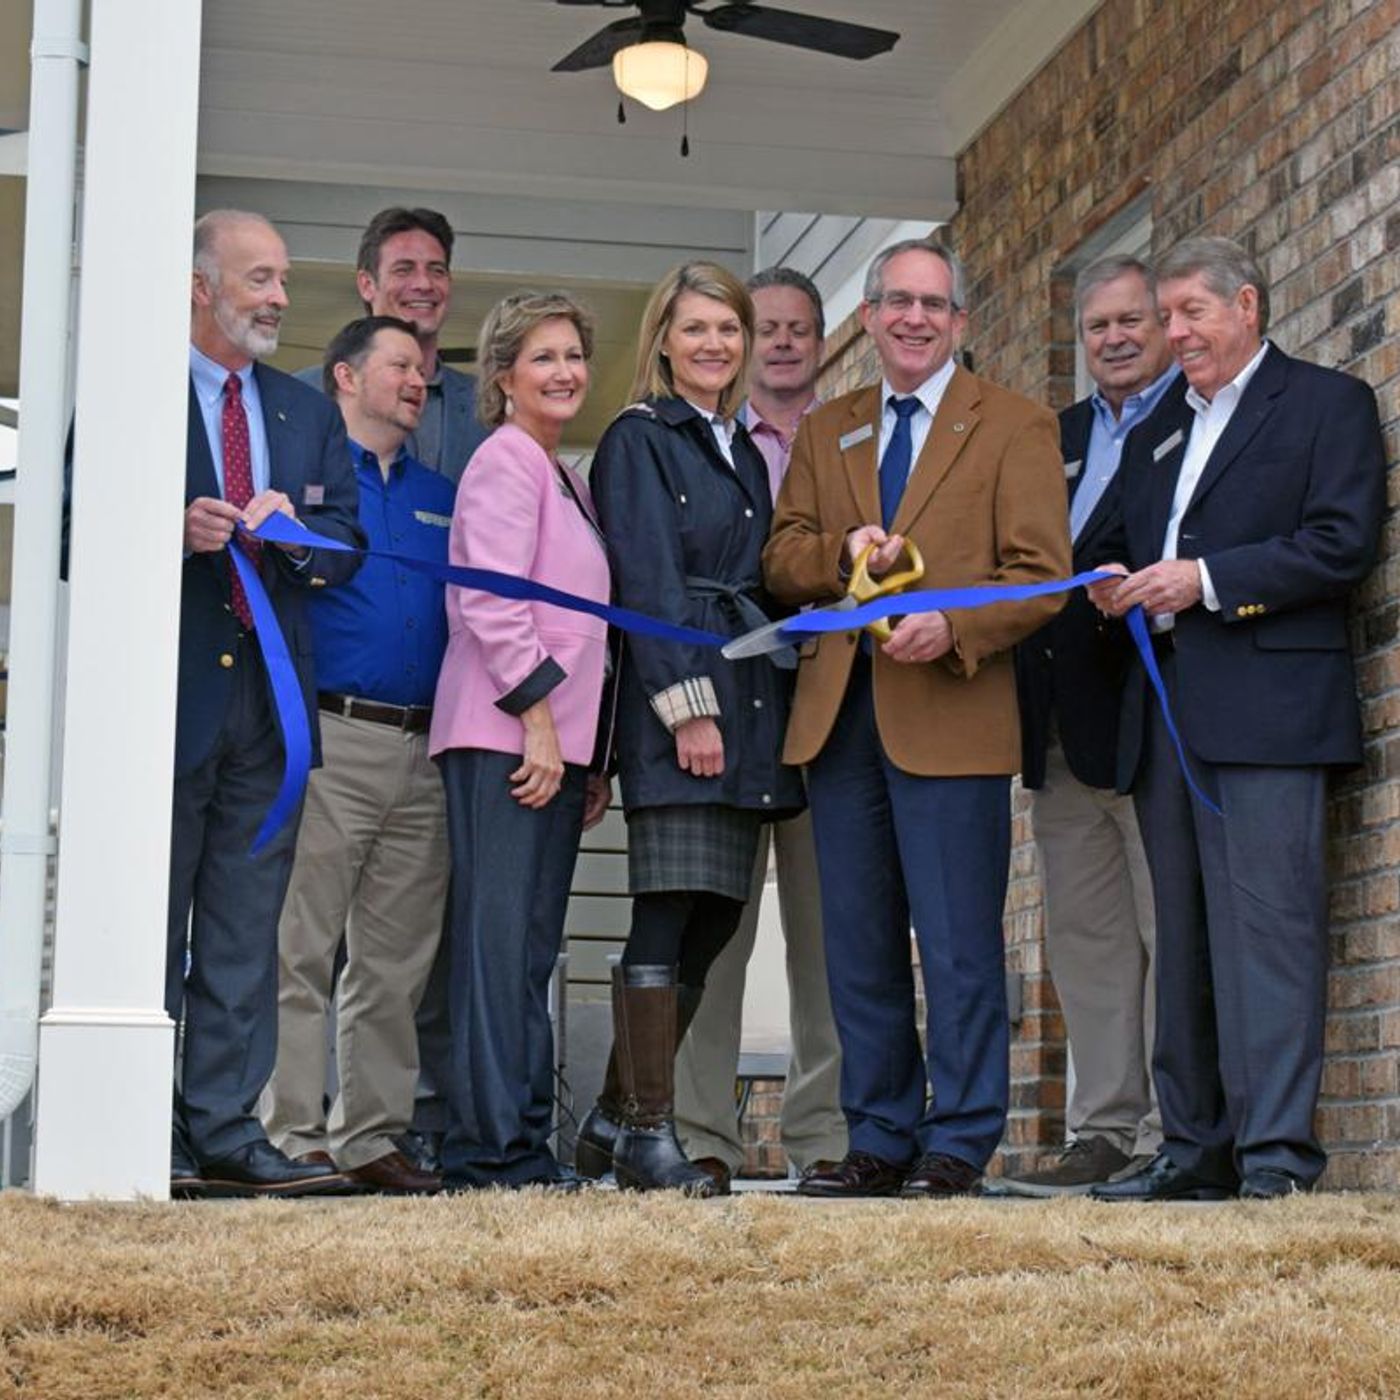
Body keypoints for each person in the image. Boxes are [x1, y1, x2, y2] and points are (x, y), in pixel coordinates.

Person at [764, 237, 1071, 1198]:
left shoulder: (1015, 424)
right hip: (840, 718)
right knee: (856, 944)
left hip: (951, 711)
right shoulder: (831, 428)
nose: (914, 319)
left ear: (961, 323)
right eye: (897, 301)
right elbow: (782, 558)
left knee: (958, 944)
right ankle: (879, 1137)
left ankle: (958, 1141)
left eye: (934, 305)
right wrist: (836, 552)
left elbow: (1040, 575)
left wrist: (953, 625)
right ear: (868, 318)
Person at [1088, 236, 1385, 1202]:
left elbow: (1339, 544)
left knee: (1270, 932)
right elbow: (1116, 543)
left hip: (1270, 710)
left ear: (1246, 306)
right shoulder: (1157, 430)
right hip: (1167, 709)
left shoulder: (1327, 405)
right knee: (1184, 937)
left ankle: (1276, 1161)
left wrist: (1205, 580)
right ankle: (1194, 1150)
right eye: (1165, 316)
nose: (1173, 334)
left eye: (1190, 314)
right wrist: (1110, 582)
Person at [577, 261, 805, 1196]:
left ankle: (610, 1121)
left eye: (730, 329)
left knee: (713, 922)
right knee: (666, 915)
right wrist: (685, 710)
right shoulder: (640, 441)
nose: (716, 344)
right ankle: (651, 1134)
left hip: (751, 700)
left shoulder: (741, 451)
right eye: (697, 327)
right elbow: (648, 583)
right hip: (686, 702)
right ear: (663, 339)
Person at [171, 210, 364, 1198]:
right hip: (166, 705)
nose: (280, 297)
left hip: (273, 709)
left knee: (247, 930)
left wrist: (293, 532)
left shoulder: (302, 409)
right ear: (202, 286)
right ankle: (149, 1120)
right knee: (156, 922)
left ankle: (222, 1129)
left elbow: (346, 542)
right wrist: (172, 525)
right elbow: (72, 518)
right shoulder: (137, 390)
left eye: (283, 278)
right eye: (258, 279)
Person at [994, 256, 1176, 1196]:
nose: (1113, 338)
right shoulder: (1049, 434)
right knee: (1089, 939)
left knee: (1163, 929)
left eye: (1130, 321)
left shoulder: (1197, 421)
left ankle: (1167, 1134)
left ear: (1166, 325)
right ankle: (1102, 1131)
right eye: (1097, 325)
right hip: (1058, 732)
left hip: (1152, 728)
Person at [262, 316, 455, 1195]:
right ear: (344, 375)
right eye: (401, 366)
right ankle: (291, 1133)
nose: (419, 381)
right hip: (330, 736)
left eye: (424, 370)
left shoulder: (442, 495)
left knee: (395, 959)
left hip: (427, 748)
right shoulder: (305, 483)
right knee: (301, 944)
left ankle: (371, 1135)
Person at [429, 291, 613, 1189]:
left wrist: (585, 753)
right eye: (543, 357)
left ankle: (522, 1141)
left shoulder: (560, 471)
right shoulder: (505, 461)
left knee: (531, 947)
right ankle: (487, 1148)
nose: (565, 371)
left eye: (574, 355)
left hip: (553, 745)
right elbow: (489, 599)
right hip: (505, 734)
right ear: (503, 377)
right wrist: (539, 720)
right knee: (499, 945)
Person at [673, 267, 846, 1190]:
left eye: (796, 330)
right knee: (717, 930)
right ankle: (702, 1132)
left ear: (821, 342)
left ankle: (826, 1140)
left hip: (825, 716)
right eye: (763, 328)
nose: (779, 343)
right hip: (728, 714)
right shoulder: (708, 442)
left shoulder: (850, 437)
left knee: (829, 942)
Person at [297, 207, 487, 483]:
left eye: (437, 270)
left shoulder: (487, 405)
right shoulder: (304, 397)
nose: (424, 283)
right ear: (367, 284)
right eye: (404, 269)